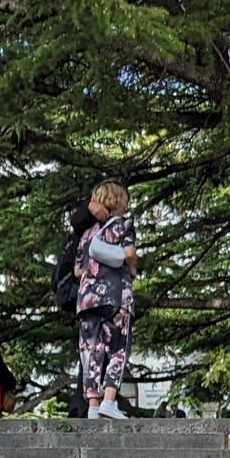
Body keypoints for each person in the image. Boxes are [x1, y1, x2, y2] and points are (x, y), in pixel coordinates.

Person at [73, 180, 136, 420]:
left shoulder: (87, 234)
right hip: (116, 296)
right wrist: (132, 267)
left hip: (87, 301)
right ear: (118, 201)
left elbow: (78, 271)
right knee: (118, 349)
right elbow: (129, 253)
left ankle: (92, 406)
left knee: (91, 352)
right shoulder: (123, 225)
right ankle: (109, 402)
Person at [53, 199, 98, 417]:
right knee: (93, 351)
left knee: (90, 351)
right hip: (87, 295)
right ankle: (83, 406)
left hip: (81, 296)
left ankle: (83, 405)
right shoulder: (87, 229)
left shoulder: (77, 236)